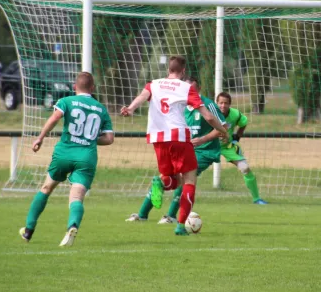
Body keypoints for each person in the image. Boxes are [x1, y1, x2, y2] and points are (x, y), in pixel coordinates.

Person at [121, 56, 228, 236]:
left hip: (157, 138)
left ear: (168, 69)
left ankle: (160, 183)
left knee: (172, 179)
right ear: (183, 71)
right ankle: (180, 225)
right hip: (178, 136)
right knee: (189, 180)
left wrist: (130, 109)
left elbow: (142, 96)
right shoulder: (186, 88)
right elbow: (208, 117)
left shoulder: (153, 84)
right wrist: (222, 131)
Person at [19, 72, 114, 246]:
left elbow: (55, 117)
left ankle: (28, 230)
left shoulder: (67, 101)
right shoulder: (101, 109)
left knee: (46, 187)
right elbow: (109, 139)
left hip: (64, 153)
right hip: (86, 157)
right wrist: (90, 139)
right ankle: (72, 226)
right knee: (76, 197)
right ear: (92, 88)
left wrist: (40, 137)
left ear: (75, 86)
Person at [216, 92, 268, 205]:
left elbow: (243, 122)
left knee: (245, 168)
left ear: (230, 104)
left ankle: (257, 199)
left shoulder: (235, 114)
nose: (223, 106)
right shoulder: (210, 113)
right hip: (209, 146)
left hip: (227, 147)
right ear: (217, 103)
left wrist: (237, 137)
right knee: (191, 171)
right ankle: (182, 196)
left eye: (226, 103)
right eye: (221, 103)